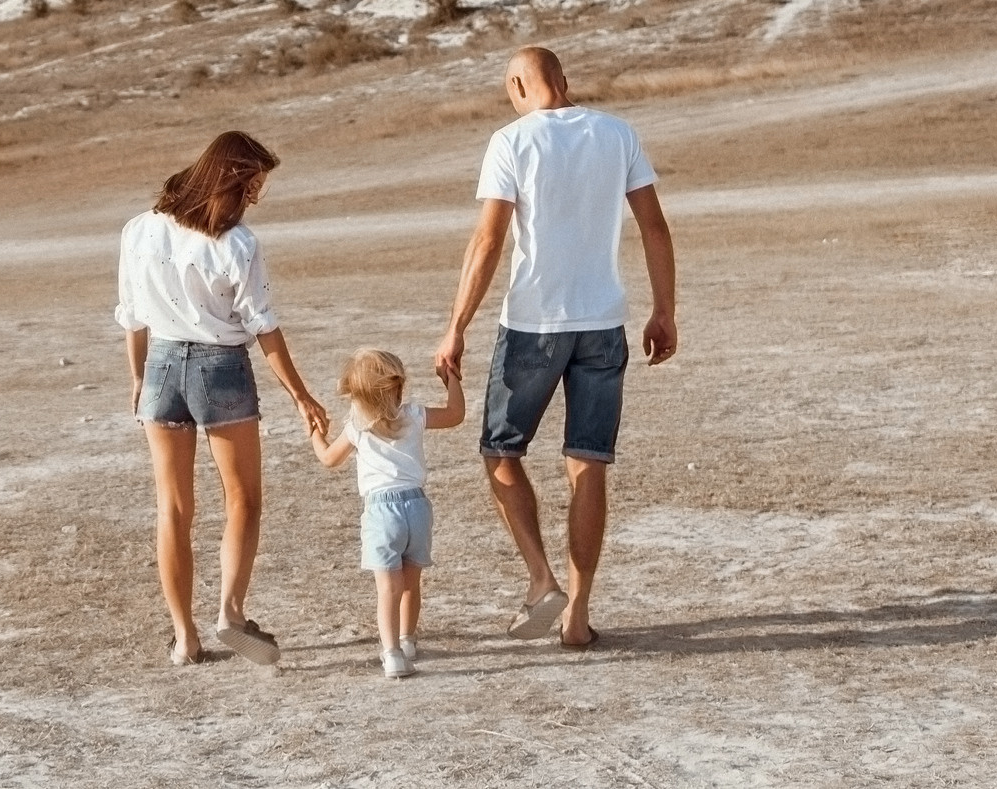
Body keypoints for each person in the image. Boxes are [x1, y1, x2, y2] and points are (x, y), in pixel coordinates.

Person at [432, 45, 677, 651]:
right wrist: (664, 310)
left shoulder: (511, 142)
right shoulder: (618, 133)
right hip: (603, 322)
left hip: (533, 324)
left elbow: (488, 238)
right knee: (588, 462)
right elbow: (654, 225)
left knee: (499, 450)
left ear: (517, 84)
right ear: (563, 80)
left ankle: (542, 578)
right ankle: (578, 615)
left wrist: (456, 323)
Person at [116, 130, 332, 666]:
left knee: (172, 508)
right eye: (254, 184)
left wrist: (138, 376)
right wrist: (301, 396)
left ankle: (184, 637)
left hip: (162, 366)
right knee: (243, 498)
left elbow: (132, 315)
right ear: (230, 179)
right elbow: (264, 329)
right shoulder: (237, 244)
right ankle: (231, 615)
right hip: (222, 368)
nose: (257, 196)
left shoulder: (139, 230)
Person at [308, 347, 467, 679]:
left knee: (388, 589)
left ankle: (392, 654)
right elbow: (455, 414)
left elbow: (328, 459)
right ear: (398, 386)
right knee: (411, 584)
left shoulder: (357, 427)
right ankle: (408, 641)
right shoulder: (414, 415)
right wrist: (451, 378)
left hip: (381, 512)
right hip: (418, 507)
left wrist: (315, 434)